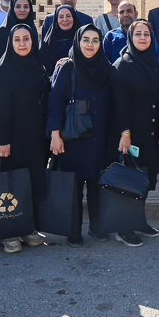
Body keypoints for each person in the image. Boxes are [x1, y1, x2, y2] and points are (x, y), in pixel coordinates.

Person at [48, 25, 124, 246]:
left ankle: (97, 226)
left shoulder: (106, 68)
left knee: (96, 185)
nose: (90, 45)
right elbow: (55, 103)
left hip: (100, 136)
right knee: (73, 187)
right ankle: (73, 231)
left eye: (95, 40)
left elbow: (116, 102)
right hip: (73, 139)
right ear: (78, 42)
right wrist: (54, 134)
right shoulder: (68, 67)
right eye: (86, 40)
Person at [0, 23, 49, 254]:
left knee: (31, 181)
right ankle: (9, 231)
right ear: (10, 42)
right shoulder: (2, 70)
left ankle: (27, 227)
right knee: (11, 183)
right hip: (12, 139)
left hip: (35, 137)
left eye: (26, 39)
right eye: (17, 39)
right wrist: (3, 138)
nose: (22, 43)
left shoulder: (37, 67)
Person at [110, 18, 159, 242]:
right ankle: (124, 228)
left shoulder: (153, 63)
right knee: (130, 178)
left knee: (143, 177)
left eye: (146, 34)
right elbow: (119, 104)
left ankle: (138, 221)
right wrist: (124, 133)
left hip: (149, 134)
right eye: (138, 34)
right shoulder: (123, 65)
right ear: (130, 38)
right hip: (131, 136)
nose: (142, 38)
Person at [0, 0, 38, 66]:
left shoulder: (32, 30)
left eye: (26, 7)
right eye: (18, 6)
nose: (22, 10)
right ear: (12, 8)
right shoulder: (3, 32)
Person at [40, 5, 81, 75]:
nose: (65, 20)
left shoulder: (81, 39)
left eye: (68, 16)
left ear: (73, 17)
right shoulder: (50, 41)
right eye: (61, 17)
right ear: (56, 19)